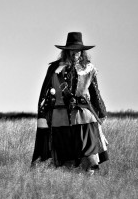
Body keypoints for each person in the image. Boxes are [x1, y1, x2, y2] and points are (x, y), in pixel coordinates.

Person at [31, 32, 109, 175]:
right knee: (66, 161)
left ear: (82, 52)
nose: (75, 53)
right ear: (66, 51)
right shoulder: (54, 68)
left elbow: (95, 93)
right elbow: (44, 94)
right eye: (72, 49)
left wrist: (101, 112)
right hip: (60, 119)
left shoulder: (89, 68)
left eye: (78, 50)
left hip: (85, 118)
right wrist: (42, 116)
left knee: (90, 158)